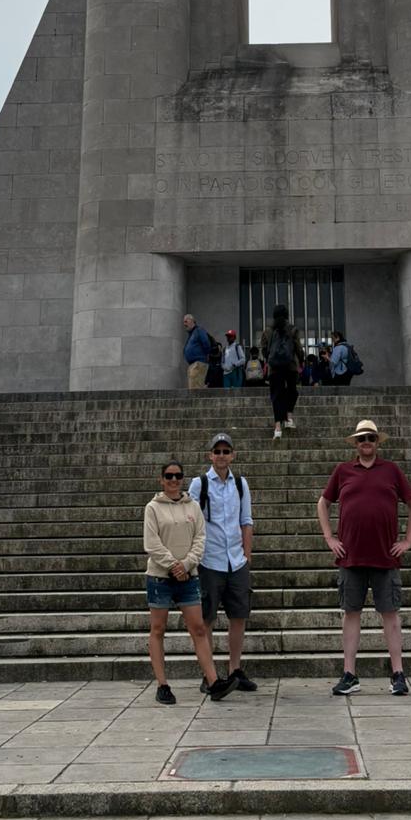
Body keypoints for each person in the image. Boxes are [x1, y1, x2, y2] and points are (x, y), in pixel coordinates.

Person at [316, 418, 411, 698]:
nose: (366, 442)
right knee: (351, 614)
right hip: (351, 556)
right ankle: (349, 673)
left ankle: (398, 673)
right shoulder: (343, 471)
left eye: (371, 438)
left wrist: (408, 540)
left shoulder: (391, 470)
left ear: (377, 442)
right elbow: (323, 502)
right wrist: (329, 538)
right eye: (362, 438)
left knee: (391, 615)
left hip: (385, 555)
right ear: (356, 443)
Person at [143, 459, 237, 705]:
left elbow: (200, 539)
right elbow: (151, 544)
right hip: (160, 577)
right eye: (169, 476)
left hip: (188, 576)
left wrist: (185, 565)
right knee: (158, 629)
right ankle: (162, 684)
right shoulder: (152, 508)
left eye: (177, 476)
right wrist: (173, 565)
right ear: (161, 479)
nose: (173, 480)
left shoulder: (192, 506)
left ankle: (213, 680)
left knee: (198, 628)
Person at [188, 432, 257, 693]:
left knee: (238, 616)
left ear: (233, 455)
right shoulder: (200, 484)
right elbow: (192, 521)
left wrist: (246, 557)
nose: (221, 456)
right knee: (206, 619)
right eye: (217, 451)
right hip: (210, 560)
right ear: (210, 455)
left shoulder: (240, 484)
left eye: (226, 451)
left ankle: (234, 669)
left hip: (236, 561)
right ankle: (209, 674)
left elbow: (246, 521)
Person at [259, 302, 303, 440]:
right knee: (292, 391)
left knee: (276, 396)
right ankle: (289, 418)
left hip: (275, 368)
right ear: (286, 315)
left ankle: (278, 427)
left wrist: (271, 358)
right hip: (290, 366)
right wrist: (301, 361)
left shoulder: (267, 331)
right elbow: (298, 348)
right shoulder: (292, 329)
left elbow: (264, 350)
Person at [182, 314, 211, 392]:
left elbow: (206, 344)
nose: (184, 324)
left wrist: (202, 358)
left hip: (198, 363)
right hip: (193, 364)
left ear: (192, 321)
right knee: (193, 388)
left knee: (195, 390)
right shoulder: (192, 333)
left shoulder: (199, 330)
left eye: (186, 321)